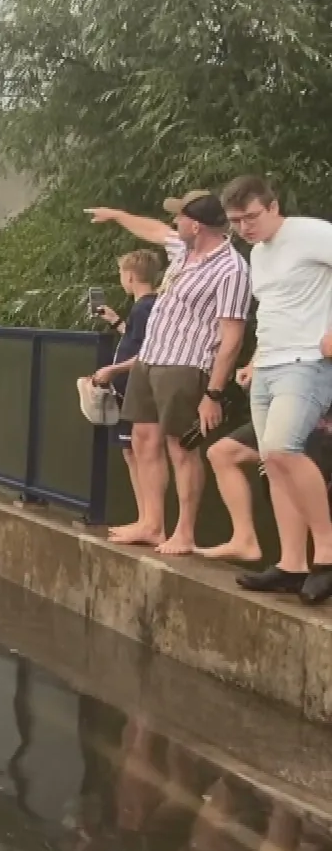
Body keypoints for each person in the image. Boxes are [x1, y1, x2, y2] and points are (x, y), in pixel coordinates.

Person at [85, 192, 250, 556]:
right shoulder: (184, 250)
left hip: (186, 365)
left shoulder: (231, 269)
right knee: (144, 438)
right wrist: (117, 213)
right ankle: (152, 523)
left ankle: (185, 532)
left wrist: (214, 393)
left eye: (181, 219)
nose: (175, 224)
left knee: (181, 448)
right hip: (151, 358)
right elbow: (154, 230)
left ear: (196, 225)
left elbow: (232, 338)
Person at [217, 176, 332, 600]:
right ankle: (292, 564)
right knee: (272, 461)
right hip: (270, 364)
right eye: (236, 221)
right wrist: (254, 361)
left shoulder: (310, 233)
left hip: (309, 363)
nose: (245, 227)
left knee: (285, 450)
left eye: (251, 217)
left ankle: (327, 556)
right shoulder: (258, 254)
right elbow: (274, 309)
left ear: (273, 206)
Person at [90, 248, 162, 551]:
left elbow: (150, 351)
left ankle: (150, 520)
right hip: (128, 388)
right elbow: (136, 340)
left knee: (139, 451)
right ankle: (143, 516)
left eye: (122, 274)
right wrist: (118, 323)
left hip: (134, 388)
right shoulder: (141, 309)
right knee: (130, 452)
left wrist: (112, 369)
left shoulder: (146, 307)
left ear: (130, 276)